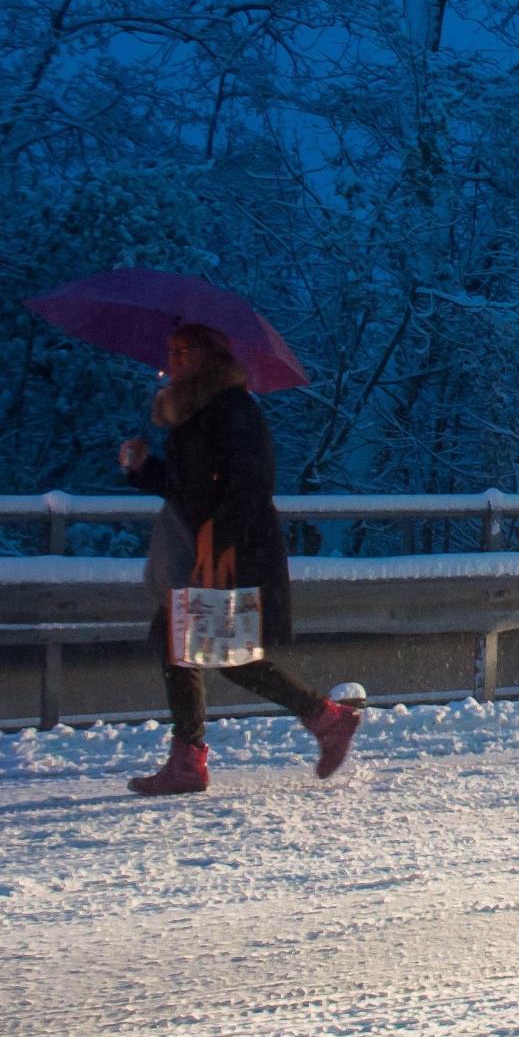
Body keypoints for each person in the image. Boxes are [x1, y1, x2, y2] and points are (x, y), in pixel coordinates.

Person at [118, 321, 359, 796]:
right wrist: (145, 468)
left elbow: (251, 483)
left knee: (209, 651)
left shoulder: (232, 408)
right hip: (200, 545)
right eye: (172, 349)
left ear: (210, 354)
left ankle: (319, 720)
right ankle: (319, 720)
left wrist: (220, 539)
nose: (176, 357)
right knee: (193, 648)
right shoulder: (195, 412)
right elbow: (189, 488)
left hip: (227, 549)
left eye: (185, 348)